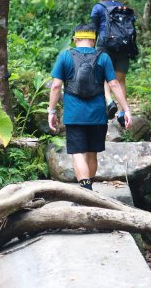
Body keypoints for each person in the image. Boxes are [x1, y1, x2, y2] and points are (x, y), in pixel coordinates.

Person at [48, 23, 132, 191]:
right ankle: (90, 190)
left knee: (78, 153)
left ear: (75, 39)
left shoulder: (65, 56)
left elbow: (56, 86)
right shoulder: (103, 57)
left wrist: (51, 111)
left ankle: (85, 192)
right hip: (97, 115)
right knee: (92, 153)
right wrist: (126, 109)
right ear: (94, 41)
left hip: (74, 114)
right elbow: (114, 84)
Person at [90, 0, 134, 127]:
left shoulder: (98, 8)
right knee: (120, 80)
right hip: (123, 47)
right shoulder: (124, 8)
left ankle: (109, 102)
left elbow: (93, 29)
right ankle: (122, 113)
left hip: (105, 45)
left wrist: (91, 47)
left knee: (104, 76)